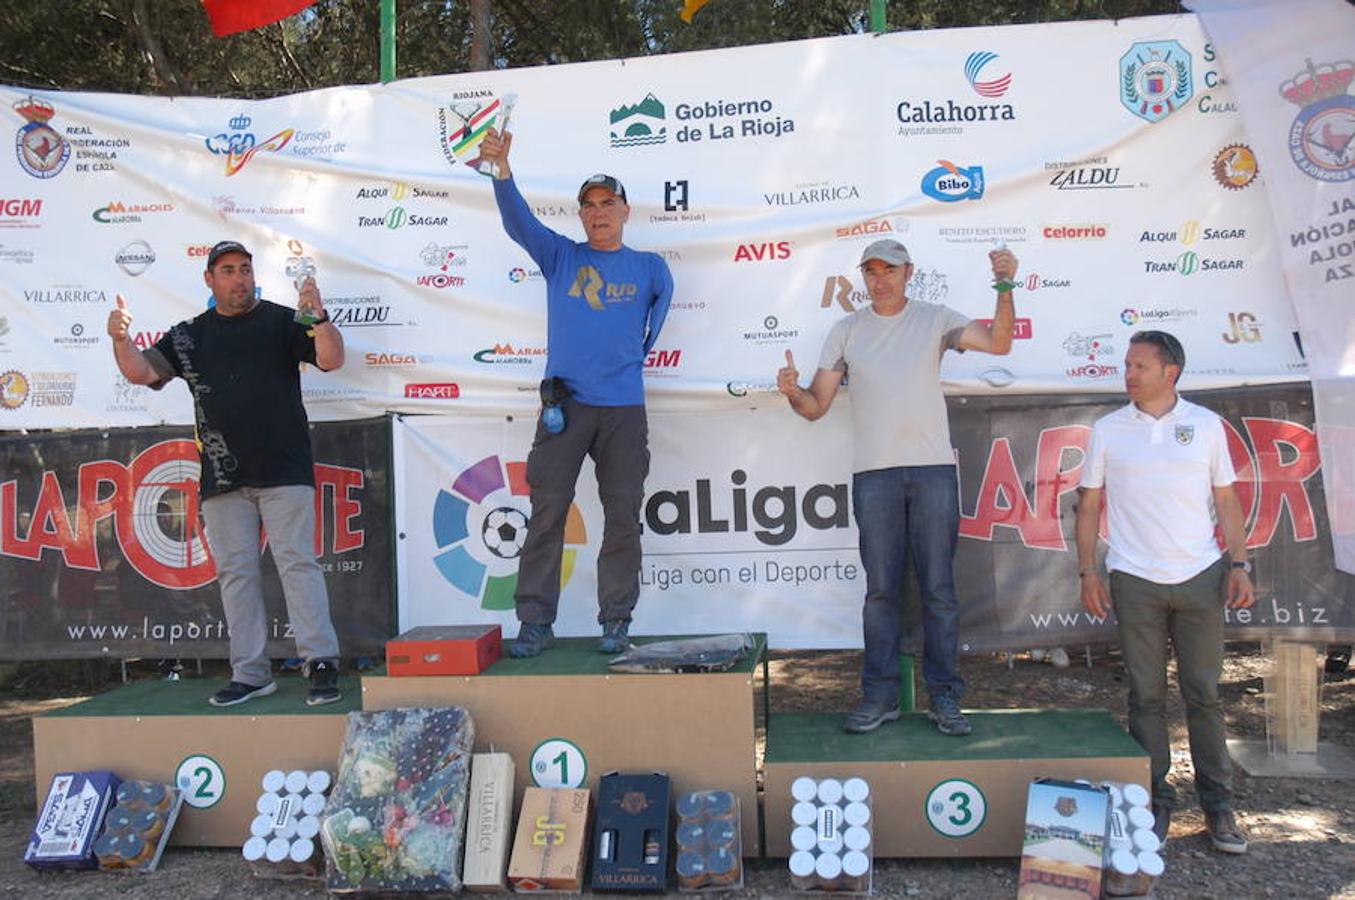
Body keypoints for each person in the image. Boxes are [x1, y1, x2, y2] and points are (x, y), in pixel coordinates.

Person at [778, 238, 1019, 735]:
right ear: (863, 276)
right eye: (871, 270)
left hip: (932, 470)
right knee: (881, 592)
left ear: (909, 272)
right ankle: (879, 696)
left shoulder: (935, 318)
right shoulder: (846, 330)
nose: (879, 279)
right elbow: (815, 406)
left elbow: (999, 343)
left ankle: (946, 698)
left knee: (939, 592)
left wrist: (1004, 284)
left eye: (889, 269)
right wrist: (791, 391)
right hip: (875, 474)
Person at [106, 240, 346, 707]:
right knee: (236, 575)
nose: (240, 278)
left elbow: (332, 358)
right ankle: (251, 673)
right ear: (210, 281)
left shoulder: (285, 320)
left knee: (297, 565)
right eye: (229, 270)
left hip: (284, 469)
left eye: (246, 269)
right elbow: (141, 373)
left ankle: (321, 662)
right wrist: (120, 340)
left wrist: (319, 319)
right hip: (221, 478)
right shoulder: (189, 334)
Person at [477, 127, 673, 658]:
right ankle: (535, 623)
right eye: (588, 206)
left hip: (624, 412)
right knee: (546, 513)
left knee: (622, 517)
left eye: (608, 203)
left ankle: (616, 619)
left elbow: (654, 329)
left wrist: (627, 364)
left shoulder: (651, 268)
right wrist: (502, 169)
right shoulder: (559, 256)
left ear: (627, 211)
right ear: (580, 216)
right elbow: (516, 220)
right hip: (564, 407)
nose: (598, 212)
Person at [1075, 329, 1254, 853]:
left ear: (1170, 372)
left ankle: (1218, 807)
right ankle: (1154, 801)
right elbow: (1089, 505)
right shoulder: (1108, 430)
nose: (1128, 374)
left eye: (1139, 366)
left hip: (1201, 576)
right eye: (1126, 365)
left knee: (1205, 696)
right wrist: (1089, 571)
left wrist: (1239, 564)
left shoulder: (1206, 426)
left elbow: (1226, 500)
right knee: (1145, 698)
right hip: (1134, 578)